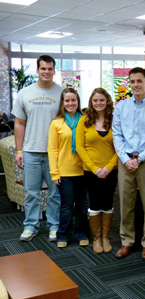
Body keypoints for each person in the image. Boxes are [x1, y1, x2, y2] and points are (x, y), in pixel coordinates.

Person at [12, 55, 62, 242]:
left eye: (50, 69)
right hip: (31, 151)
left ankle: (54, 226)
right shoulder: (25, 93)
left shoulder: (62, 93)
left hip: (55, 153)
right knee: (31, 193)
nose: (46, 72)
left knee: (55, 193)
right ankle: (30, 226)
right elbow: (19, 123)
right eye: (43, 69)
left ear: (54, 70)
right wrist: (19, 151)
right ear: (38, 70)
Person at [112, 67, 145, 260]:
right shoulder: (121, 107)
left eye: (139, 81)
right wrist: (125, 159)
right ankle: (127, 241)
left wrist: (139, 159)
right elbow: (117, 135)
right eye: (132, 81)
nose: (136, 85)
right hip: (125, 161)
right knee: (126, 202)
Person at [76, 88, 118, 254]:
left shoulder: (114, 120)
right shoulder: (84, 120)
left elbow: (120, 147)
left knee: (107, 203)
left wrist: (108, 167)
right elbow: (80, 147)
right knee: (94, 204)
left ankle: (106, 237)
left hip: (111, 170)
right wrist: (95, 168)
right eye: (95, 100)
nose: (99, 103)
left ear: (107, 101)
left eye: (102, 100)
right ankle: (97, 238)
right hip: (90, 171)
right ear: (91, 103)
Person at [48, 88, 89, 248]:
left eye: (74, 100)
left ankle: (82, 234)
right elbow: (52, 149)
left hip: (83, 170)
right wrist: (54, 172)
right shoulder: (56, 123)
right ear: (62, 103)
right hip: (64, 171)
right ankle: (63, 235)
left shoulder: (85, 120)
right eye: (67, 100)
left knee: (83, 205)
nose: (70, 103)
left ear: (78, 102)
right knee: (66, 205)